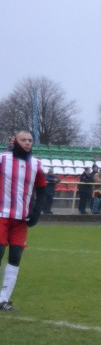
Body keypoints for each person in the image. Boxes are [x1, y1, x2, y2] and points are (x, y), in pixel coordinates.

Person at [0, 131, 46, 312]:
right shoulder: (2, 159)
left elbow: (42, 190)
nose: (27, 143)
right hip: (1, 215)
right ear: (14, 142)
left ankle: (4, 299)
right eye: (23, 140)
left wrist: (36, 212)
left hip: (21, 220)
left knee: (15, 257)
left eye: (30, 140)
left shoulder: (36, 164)